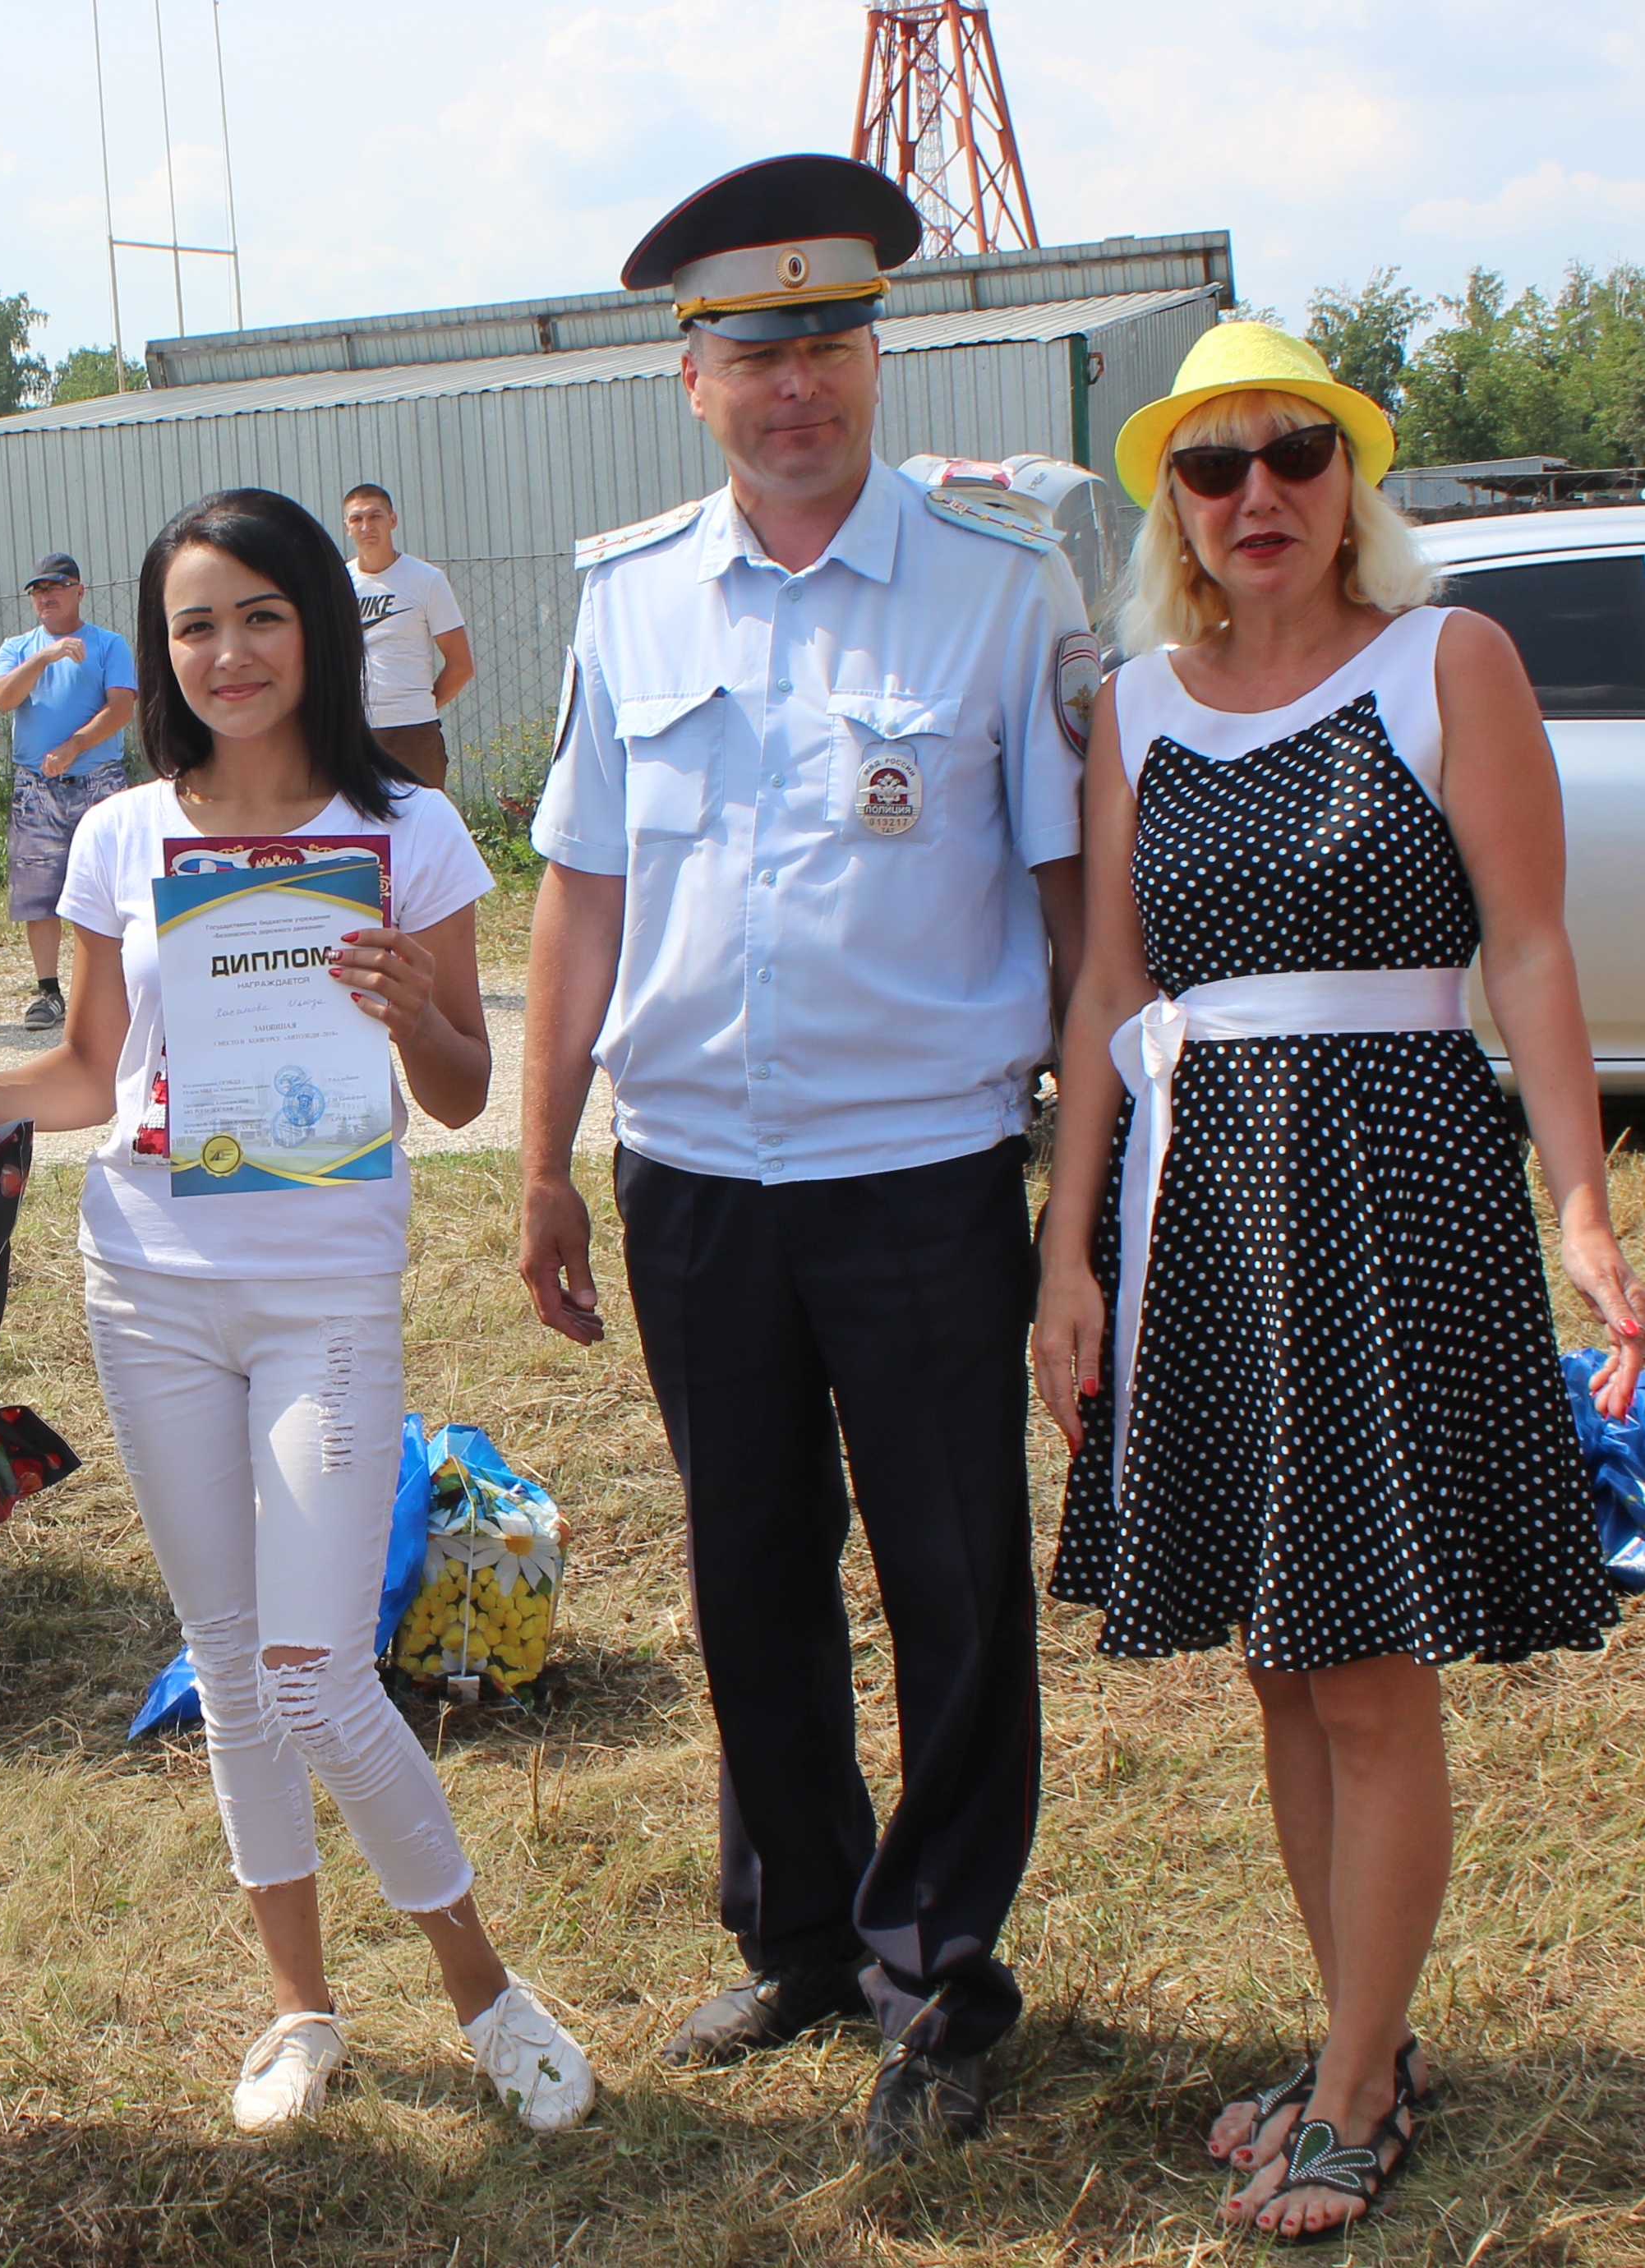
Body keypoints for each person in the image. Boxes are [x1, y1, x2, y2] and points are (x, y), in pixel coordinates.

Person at [515, 154, 1092, 2164]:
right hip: (690, 1171)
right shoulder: (631, 592)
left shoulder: (999, 582)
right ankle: (799, 1936)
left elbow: (1077, 905)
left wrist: (1084, 1191)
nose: (796, 388)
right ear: (692, 378)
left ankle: (941, 1973)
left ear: (877, 354)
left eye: (831, 344)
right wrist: (544, 1158)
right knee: (748, 1567)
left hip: (924, 1167)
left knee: (948, 1579)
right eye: (754, 354)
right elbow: (580, 901)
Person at [1034, 325, 1636, 2239]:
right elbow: (1112, 992)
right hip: (1202, 1202)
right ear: (1174, 509)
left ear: (1350, 480)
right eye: (1214, 471)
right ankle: (1353, 2029)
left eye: (1297, 456)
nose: (1260, 497)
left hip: (1398, 1184)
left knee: (1365, 1669)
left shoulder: (1447, 661)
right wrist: (1067, 1253)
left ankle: (1363, 2083)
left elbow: (1532, 952)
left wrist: (1580, 1201)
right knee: (1279, 1661)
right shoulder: (1137, 705)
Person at [0, 488, 597, 2142]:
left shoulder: (408, 835)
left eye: (259, 616)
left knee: (312, 1668)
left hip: (321, 1293)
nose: (225, 652)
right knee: (231, 1670)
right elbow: (85, 1074)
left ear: (315, 627)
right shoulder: (119, 835)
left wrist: (415, 1004)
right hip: (146, 1285)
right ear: (160, 646)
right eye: (193, 623)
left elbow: (451, 1098)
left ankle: (484, 1991)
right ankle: (299, 2009)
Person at [0, 550, 138, 1030]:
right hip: (37, 786)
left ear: (79, 590)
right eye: (37, 590)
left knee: (113, 887)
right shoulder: (19, 648)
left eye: (55, 587)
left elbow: (121, 709)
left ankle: (116, 986)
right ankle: (48, 992)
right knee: (40, 890)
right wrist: (46, 655)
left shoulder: (109, 644)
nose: (45, 597)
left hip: (99, 781)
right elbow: (3, 698)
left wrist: (75, 745)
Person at [341, 484, 472, 791]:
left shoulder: (427, 580)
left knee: (420, 831)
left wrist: (417, 705)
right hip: (354, 733)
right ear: (347, 527)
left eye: (375, 516)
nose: (366, 526)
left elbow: (461, 665)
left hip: (413, 733)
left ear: (393, 520)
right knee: (359, 832)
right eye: (357, 519)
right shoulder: (337, 584)